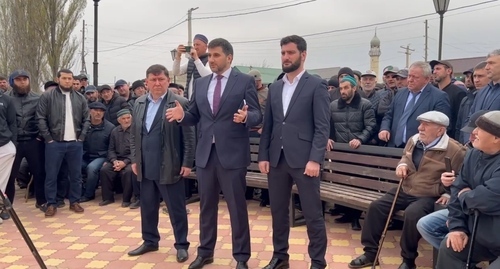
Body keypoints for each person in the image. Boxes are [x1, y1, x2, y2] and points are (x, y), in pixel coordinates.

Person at [166, 38, 262, 269]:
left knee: (237, 208)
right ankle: (205, 252)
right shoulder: (202, 83)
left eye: (216, 55)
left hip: (233, 155)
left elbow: (258, 114)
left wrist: (246, 118)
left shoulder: (244, 81)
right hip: (206, 155)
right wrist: (181, 116)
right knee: (206, 207)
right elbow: (195, 117)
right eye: (210, 55)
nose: (211, 59)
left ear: (229, 57)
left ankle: (241, 257)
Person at [348, 111, 465, 269]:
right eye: (420, 123)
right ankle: (370, 253)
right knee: (376, 207)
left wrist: (447, 192)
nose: (420, 128)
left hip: (429, 194)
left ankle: (408, 261)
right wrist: (402, 165)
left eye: (426, 124)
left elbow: (461, 177)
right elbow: (405, 156)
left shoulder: (455, 150)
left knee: (412, 214)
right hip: (405, 188)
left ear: (440, 130)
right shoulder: (414, 140)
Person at [258, 35, 330, 269]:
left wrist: (315, 159)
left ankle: (318, 262)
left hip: (304, 161)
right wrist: (263, 155)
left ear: (303, 55)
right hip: (277, 160)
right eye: (283, 53)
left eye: (290, 52)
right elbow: (268, 125)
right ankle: (280, 257)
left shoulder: (315, 84)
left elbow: (322, 126)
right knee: (278, 212)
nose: (286, 57)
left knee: (312, 215)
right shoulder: (275, 87)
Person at [127, 64, 195, 265]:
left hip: (170, 164)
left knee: (176, 208)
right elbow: (133, 134)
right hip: (145, 165)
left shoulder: (179, 102)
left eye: (161, 79)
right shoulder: (139, 103)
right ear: (146, 82)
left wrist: (187, 162)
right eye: (153, 80)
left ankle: (181, 245)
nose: (157, 83)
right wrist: (134, 159)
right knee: (147, 206)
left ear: (167, 80)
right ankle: (150, 240)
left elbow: (189, 137)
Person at [416, 110, 488, 250]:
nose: (471, 137)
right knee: (425, 224)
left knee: (415, 212)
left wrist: (464, 193)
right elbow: (459, 186)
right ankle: (461, 255)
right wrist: (450, 184)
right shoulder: (472, 153)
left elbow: (487, 197)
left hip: (484, 214)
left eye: (476, 133)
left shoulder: (459, 150)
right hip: (463, 207)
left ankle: (462, 255)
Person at [436, 111, 500, 268]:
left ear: (496, 138)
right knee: (450, 247)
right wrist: (457, 227)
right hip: (479, 231)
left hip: (494, 234)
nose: (474, 132)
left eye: (480, 129)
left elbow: (486, 199)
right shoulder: (472, 155)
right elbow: (457, 189)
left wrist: (466, 195)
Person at [36, 69, 89, 217]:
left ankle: (75, 201)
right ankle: (51, 204)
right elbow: (40, 118)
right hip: (55, 143)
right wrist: (49, 139)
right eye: (64, 78)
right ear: (58, 79)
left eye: (70, 78)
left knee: (76, 175)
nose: (67, 81)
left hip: (75, 143)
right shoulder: (47, 96)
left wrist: (82, 137)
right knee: (51, 175)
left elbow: (87, 119)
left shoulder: (80, 98)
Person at [327, 75, 377, 231]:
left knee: (357, 183)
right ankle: (346, 214)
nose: (343, 91)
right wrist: (328, 137)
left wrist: (360, 139)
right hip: (340, 151)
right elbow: (328, 124)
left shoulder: (365, 105)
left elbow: (371, 126)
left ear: (354, 88)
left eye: (346, 87)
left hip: (358, 151)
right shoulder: (333, 105)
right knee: (342, 181)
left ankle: (355, 218)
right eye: (341, 88)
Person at [378, 61, 451, 148]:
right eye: (409, 76)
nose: (410, 80)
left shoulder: (438, 96)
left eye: (415, 77)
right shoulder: (400, 93)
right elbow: (389, 115)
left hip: (419, 149)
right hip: (393, 146)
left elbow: (440, 125)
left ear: (427, 79)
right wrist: (384, 129)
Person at [5, 70, 46, 212]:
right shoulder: (5, 99)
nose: (22, 82)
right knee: (10, 175)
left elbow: (43, 118)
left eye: (25, 79)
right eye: (18, 80)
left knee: (39, 172)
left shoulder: (38, 98)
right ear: (12, 82)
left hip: (33, 141)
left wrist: (40, 136)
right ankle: (7, 206)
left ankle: (41, 202)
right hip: (13, 143)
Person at [99, 109, 136, 207]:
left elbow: (136, 150)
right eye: (124, 119)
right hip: (116, 159)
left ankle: (126, 200)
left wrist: (125, 162)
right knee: (105, 170)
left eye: (128, 118)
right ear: (119, 121)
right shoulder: (115, 131)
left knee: (128, 172)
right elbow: (111, 149)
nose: (126, 121)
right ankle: (107, 198)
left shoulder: (136, 131)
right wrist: (114, 160)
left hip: (131, 160)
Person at [172, 34, 212, 100]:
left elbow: (207, 75)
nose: (195, 47)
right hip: (189, 100)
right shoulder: (191, 61)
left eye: (198, 45)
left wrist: (196, 58)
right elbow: (176, 72)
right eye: (194, 45)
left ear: (206, 47)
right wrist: (178, 56)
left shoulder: (209, 60)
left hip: (202, 100)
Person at [0, 88, 17, 222]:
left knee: (2, 182)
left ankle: (1, 209)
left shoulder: (6, 99)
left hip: (4, 145)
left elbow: (12, 123)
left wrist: (14, 144)